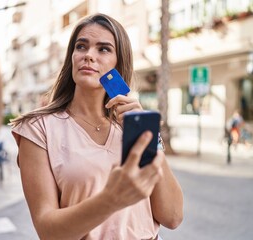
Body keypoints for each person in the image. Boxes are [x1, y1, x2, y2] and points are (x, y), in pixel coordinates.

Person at [10, 13, 183, 240]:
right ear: (71, 56)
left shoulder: (131, 126)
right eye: (81, 46)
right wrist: (111, 199)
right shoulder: (38, 128)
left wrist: (148, 138)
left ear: (118, 64)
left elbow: (172, 216)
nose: (89, 56)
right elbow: (47, 231)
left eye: (103, 49)